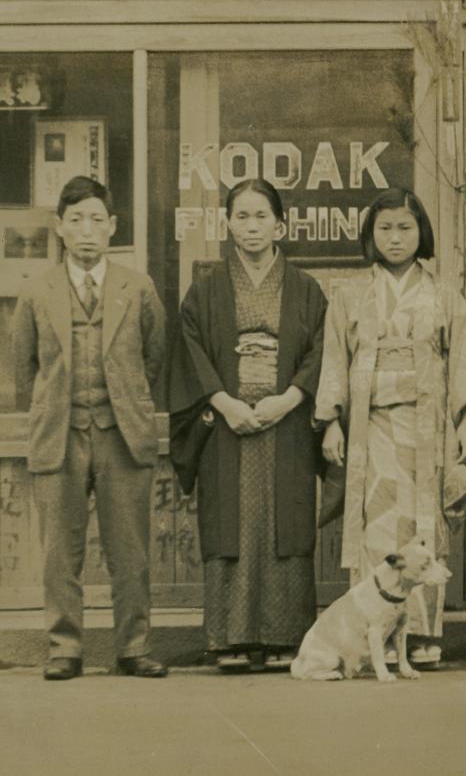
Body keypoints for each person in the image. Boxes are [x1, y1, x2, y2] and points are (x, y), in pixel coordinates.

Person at [315, 188, 466, 669]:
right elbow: (335, 359)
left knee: (424, 528)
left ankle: (422, 633)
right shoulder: (350, 294)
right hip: (370, 426)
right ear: (370, 235)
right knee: (377, 532)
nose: (395, 237)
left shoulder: (443, 294)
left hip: (427, 427)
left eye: (405, 227)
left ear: (421, 231)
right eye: (385, 228)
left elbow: (465, 359)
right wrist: (331, 425)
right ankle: (371, 634)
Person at [10, 175, 167, 680]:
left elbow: (155, 356)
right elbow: (23, 367)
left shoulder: (137, 287)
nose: (86, 230)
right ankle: (64, 648)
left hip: (123, 434)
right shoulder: (36, 291)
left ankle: (133, 646)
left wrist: (126, 402)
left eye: (97, 219)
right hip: (61, 433)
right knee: (60, 552)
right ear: (58, 227)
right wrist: (54, 409)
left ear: (113, 227)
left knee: (131, 552)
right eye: (75, 219)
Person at [168, 178, 328, 671]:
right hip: (227, 423)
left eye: (262, 216)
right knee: (230, 525)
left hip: (288, 421)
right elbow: (189, 350)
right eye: (242, 216)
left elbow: (324, 350)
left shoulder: (305, 288)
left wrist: (291, 397)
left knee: (287, 523)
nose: (252, 226)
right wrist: (223, 401)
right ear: (227, 224)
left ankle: (285, 636)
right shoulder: (207, 289)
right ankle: (229, 638)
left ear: (280, 224)